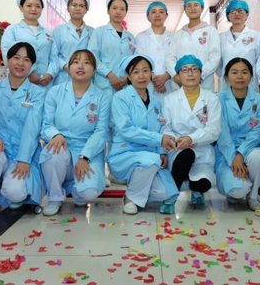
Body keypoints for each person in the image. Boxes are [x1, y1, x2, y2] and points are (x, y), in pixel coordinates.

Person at [0, 42, 45, 219]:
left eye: (26, 60)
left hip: (23, 150)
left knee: (15, 193)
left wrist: (24, 159)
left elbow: (33, 128)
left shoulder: (37, 93)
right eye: (16, 58)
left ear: (32, 65)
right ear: (8, 60)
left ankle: (10, 190)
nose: (21, 63)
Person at [39, 49, 111, 216]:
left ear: (94, 70)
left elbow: (101, 132)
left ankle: (76, 187)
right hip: (61, 144)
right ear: (69, 68)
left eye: (87, 63)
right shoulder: (55, 92)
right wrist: (55, 135)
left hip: (87, 149)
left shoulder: (102, 97)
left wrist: (85, 157)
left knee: (88, 193)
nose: (80, 66)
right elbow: (46, 124)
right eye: (76, 62)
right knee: (53, 154)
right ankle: (55, 197)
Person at [108, 54, 180, 215]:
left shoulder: (155, 101)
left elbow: (161, 127)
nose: (141, 76)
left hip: (149, 154)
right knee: (150, 161)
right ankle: (130, 198)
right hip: (124, 153)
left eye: (145, 71)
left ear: (151, 74)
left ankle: (137, 186)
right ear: (128, 76)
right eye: (136, 72)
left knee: (165, 193)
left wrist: (162, 151)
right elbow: (126, 129)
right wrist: (159, 140)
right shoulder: (120, 98)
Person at [163, 55, 221, 209]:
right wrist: (177, 140)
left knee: (203, 184)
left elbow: (214, 130)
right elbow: (166, 128)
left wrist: (191, 139)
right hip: (178, 150)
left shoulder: (211, 99)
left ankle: (196, 188)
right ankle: (171, 195)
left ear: (201, 73)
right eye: (185, 70)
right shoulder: (170, 99)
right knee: (186, 154)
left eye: (194, 69)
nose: (190, 73)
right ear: (178, 75)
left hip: (202, 149)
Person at [215, 58, 260, 211]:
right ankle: (239, 189)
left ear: (251, 76)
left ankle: (253, 196)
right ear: (227, 77)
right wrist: (233, 156)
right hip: (225, 151)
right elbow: (222, 132)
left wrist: (240, 153)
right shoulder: (218, 100)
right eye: (234, 72)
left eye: (244, 72)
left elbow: (257, 131)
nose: (240, 76)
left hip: (251, 147)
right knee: (237, 190)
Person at [1, 0, 59, 90]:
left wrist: (50, 74)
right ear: (21, 8)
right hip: (21, 80)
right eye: (29, 5)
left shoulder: (48, 33)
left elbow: (54, 57)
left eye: (38, 6)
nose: (33, 9)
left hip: (45, 84)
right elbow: (7, 54)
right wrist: (29, 72)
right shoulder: (12, 30)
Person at [167, 0, 220, 92]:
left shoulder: (211, 31)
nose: (192, 8)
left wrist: (199, 75)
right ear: (185, 9)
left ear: (202, 8)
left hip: (204, 83)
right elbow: (170, 58)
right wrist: (176, 76)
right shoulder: (178, 34)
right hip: (180, 83)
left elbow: (214, 57)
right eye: (189, 6)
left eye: (196, 5)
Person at [87, 0, 137, 96]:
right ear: (108, 11)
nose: (118, 12)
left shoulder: (130, 37)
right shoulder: (99, 32)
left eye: (122, 9)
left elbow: (134, 60)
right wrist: (109, 74)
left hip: (125, 85)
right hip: (104, 84)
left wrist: (127, 78)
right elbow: (92, 57)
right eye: (114, 8)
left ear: (125, 13)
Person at [217, 0, 260, 92]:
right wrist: (227, 74)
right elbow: (218, 64)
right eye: (233, 11)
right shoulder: (220, 38)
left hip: (250, 83)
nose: (237, 14)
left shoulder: (256, 36)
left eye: (240, 11)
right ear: (228, 15)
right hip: (226, 83)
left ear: (247, 14)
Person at [135, 1, 174, 104]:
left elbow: (176, 60)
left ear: (166, 15)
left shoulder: (174, 37)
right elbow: (139, 59)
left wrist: (166, 77)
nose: (157, 15)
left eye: (161, 12)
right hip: (147, 83)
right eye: (153, 12)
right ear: (148, 16)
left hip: (169, 83)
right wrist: (154, 78)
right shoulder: (141, 37)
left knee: (169, 110)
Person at [52, 0, 93, 86]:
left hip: (86, 76)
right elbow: (54, 54)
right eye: (74, 5)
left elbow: (94, 56)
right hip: (64, 76)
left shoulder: (93, 32)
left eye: (81, 6)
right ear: (67, 8)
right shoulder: (59, 30)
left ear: (86, 10)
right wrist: (66, 67)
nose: (77, 8)